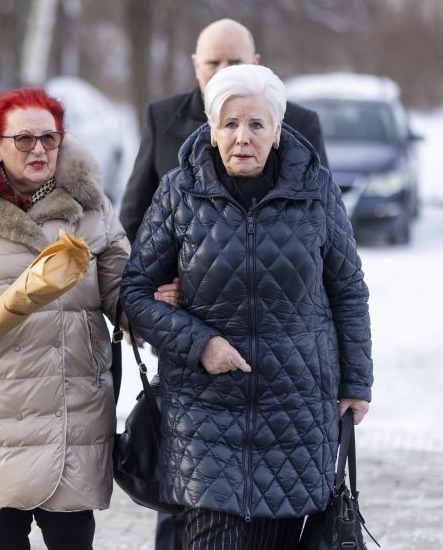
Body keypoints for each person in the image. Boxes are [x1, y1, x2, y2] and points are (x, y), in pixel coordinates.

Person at [121, 64, 373, 549]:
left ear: (278, 132)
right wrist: (200, 343)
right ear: (212, 130)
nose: (243, 136)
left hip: (296, 412)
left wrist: (356, 382)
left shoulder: (315, 191)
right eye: (230, 124)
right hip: (204, 411)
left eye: (256, 124)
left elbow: (348, 290)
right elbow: (134, 291)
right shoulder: (178, 192)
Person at [0, 87, 163, 550]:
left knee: (73, 532)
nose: (38, 149)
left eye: (49, 138)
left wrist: (141, 314)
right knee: (2, 531)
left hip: (72, 398)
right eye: (23, 139)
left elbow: (121, 286)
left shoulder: (91, 209)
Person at [120, 18, 328, 243]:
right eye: (213, 62)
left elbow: (326, 217)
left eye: (235, 62)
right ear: (196, 65)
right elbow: (135, 216)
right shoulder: (163, 117)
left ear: (255, 63)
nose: (223, 71)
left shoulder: (299, 123)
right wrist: (151, 279)